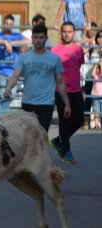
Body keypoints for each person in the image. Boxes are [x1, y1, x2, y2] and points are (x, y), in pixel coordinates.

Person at [4, 24, 71, 133]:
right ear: (32, 38)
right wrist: (8, 88)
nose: (38, 41)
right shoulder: (24, 57)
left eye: (41, 37)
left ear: (46, 38)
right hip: (28, 103)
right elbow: (15, 76)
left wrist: (67, 104)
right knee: (27, 137)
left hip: (46, 104)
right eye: (35, 37)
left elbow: (60, 82)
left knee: (41, 136)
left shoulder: (54, 58)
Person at [51, 21, 85, 164]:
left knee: (79, 120)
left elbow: (79, 67)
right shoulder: (55, 50)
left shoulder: (78, 49)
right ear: (61, 33)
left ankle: (59, 140)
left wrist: (82, 88)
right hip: (61, 91)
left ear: (74, 32)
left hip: (76, 90)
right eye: (64, 31)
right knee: (64, 122)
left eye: (69, 31)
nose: (67, 34)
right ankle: (67, 151)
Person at [0, 14, 27, 115]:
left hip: (14, 71)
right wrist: (5, 42)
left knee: (12, 94)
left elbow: (28, 41)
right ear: (3, 24)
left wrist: (13, 43)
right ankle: (1, 116)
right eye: (6, 23)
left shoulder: (16, 35)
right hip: (1, 70)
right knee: (3, 94)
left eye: (11, 24)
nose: (8, 26)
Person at [81, 24, 101, 129]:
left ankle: (98, 121)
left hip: (100, 80)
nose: (100, 38)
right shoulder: (92, 47)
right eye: (99, 36)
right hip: (91, 78)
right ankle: (86, 121)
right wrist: (84, 33)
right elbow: (83, 50)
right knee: (88, 100)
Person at [91, 61, 102, 129]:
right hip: (95, 97)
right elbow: (92, 74)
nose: (97, 69)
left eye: (98, 68)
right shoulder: (95, 77)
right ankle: (96, 124)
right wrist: (95, 65)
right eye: (96, 68)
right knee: (96, 111)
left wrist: (101, 65)